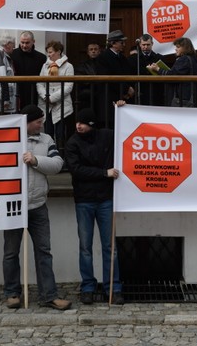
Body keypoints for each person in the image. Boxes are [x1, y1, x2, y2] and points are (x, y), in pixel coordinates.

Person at [2, 105, 71, 311]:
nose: (41, 124)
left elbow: (57, 164)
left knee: (43, 251)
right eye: (38, 121)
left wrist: (35, 161)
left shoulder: (46, 140)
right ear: (27, 122)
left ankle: (48, 295)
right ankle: (12, 293)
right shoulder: (9, 139)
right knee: (11, 252)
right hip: (14, 205)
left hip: (38, 205)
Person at [64, 108, 124, 305]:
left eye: (82, 123)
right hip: (84, 200)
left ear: (91, 123)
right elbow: (77, 170)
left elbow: (126, 130)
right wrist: (103, 173)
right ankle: (88, 286)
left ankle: (114, 288)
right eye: (77, 123)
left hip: (106, 199)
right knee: (85, 247)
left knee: (110, 247)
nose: (78, 126)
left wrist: (124, 106)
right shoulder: (73, 143)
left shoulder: (106, 136)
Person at [38, 40, 75, 151]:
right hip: (47, 105)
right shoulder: (45, 66)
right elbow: (39, 82)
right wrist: (46, 96)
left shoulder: (68, 66)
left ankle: (62, 158)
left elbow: (68, 86)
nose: (49, 55)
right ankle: (50, 154)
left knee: (61, 134)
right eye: (48, 52)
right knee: (48, 132)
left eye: (51, 52)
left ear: (58, 51)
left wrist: (53, 97)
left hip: (62, 105)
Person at [94, 30, 134, 128]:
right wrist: (126, 88)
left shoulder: (123, 58)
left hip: (123, 97)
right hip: (109, 98)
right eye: (121, 42)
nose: (124, 44)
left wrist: (129, 89)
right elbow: (107, 77)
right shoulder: (103, 58)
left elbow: (128, 74)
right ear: (113, 43)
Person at [147, 37, 197, 107]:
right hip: (189, 96)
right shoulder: (192, 58)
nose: (176, 49)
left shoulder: (184, 59)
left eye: (178, 47)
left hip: (182, 98)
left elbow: (173, 75)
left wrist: (158, 69)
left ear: (185, 48)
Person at [10, 31, 47, 111]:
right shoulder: (12, 54)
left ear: (33, 42)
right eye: (22, 42)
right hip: (17, 94)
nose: (24, 45)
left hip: (33, 94)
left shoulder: (41, 58)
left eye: (27, 43)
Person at [128, 34, 164, 106]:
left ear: (152, 44)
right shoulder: (133, 58)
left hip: (155, 92)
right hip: (139, 91)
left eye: (148, 44)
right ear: (140, 45)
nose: (145, 47)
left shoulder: (159, 58)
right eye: (143, 45)